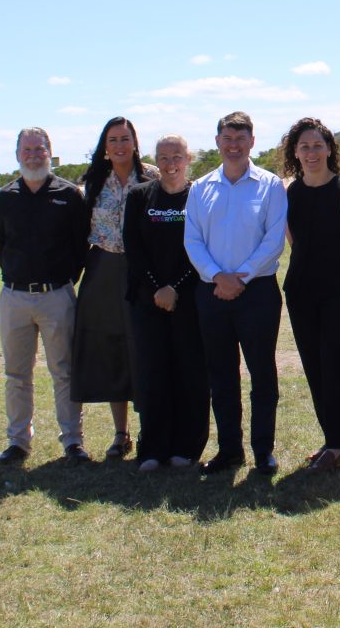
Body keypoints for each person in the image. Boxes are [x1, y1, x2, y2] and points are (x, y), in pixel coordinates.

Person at [184, 111, 287, 476]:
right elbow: (192, 241)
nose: (233, 146)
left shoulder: (271, 185)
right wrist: (217, 277)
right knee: (221, 375)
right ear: (217, 142)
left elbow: (273, 241)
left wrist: (239, 279)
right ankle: (230, 449)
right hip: (211, 292)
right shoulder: (200, 188)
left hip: (257, 291)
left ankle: (263, 450)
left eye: (240, 139)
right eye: (227, 139)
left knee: (262, 373)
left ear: (252, 143)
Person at [0, 127, 90, 464]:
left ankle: (73, 441)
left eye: (39, 149)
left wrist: (63, 283)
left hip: (57, 295)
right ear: (17, 154)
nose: (34, 155)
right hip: (15, 298)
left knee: (64, 371)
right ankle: (18, 442)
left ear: (50, 152)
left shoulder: (69, 195)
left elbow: (80, 247)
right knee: (16, 374)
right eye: (27, 149)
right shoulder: (4, 198)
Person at [280, 117, 340, 472]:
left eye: (317, 145)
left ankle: (335, 445)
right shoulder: (292, 192)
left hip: (337, 291)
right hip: (300, 290)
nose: (311, 152)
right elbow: (295, 239)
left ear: (330, 149)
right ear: (295, 152)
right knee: (313, 366)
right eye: (304, 146)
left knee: (334, 364)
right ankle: (332, 439)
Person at [71, 117, 158, 459]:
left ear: (135, 142)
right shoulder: (92, 182)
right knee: (112, 350)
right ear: (104, 147)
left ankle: (152, 427)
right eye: (113, 140)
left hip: (143, 270)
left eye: (125, 138)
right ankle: (121, 434)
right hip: (103, 269)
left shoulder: (152, 176)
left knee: (145, 346)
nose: (120, 145)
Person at [122, 134, 209, 471]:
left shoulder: (199, 197)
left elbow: (202, 246)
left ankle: (187, 447)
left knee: (190, 372)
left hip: (189, 299)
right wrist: (159, 288)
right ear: (154, 161)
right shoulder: (139, 196)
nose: (170, 163)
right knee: (153, 372)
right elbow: (134, 249)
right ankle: (153, 448)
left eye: (177, 156)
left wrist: (176, 287)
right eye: (163, 157)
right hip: (147, 299)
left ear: (188, 159)